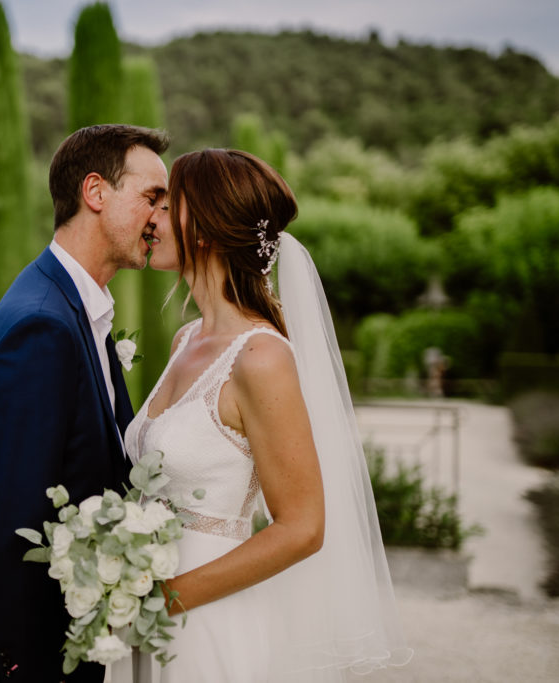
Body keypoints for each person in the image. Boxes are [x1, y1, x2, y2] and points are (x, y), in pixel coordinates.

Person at [112, 149, 411, 682]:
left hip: (208, 619)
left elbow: (303, 527)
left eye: (165, 204)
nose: (151, 218)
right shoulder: (187, 340)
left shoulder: (261, 357)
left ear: (203, 226)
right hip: (149, 610)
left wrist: (165, 598)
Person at [0, 124, 170, 682]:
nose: (161, 218)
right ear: (95, 193)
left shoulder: (77, 306)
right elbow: (17, 512)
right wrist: (23, 663)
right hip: (41, 650)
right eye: (152, 197)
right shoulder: (41, 325)